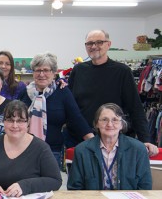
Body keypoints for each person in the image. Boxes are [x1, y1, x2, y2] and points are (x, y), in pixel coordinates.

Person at [68, 29, 159, 157]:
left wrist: (146, 140)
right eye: (90, 43)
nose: (94, 46)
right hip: (82, 139)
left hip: (113, 140)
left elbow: (135, 108)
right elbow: (70, 106)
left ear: (108, 44)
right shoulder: (78, 70)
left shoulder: (122, 72)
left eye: (99, 42)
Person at [0, 100, 62, 196]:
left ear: (28, 122)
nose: (15, 125)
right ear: (3, 121)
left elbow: (55, 180)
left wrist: (25, 186)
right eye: (10, 120)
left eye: (20, 121)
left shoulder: (41, 148)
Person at [18, 52, 94, 168]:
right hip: (23, 150)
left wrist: (94, 143)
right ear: (33, 73)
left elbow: (76, 119)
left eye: (46, 70)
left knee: (48, 184)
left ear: (54, 73)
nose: (41, 74)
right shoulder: (25, 93)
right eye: (38, 70)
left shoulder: (62, 92)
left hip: (52, 152)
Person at [67, 103, 152, 190]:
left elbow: (145, 187)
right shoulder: (82, 150)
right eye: (104, 120)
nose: (110, 124)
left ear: (122, 125)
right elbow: (74, 188)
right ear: (96, 124)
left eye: (115, 120)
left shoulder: (138, 149)